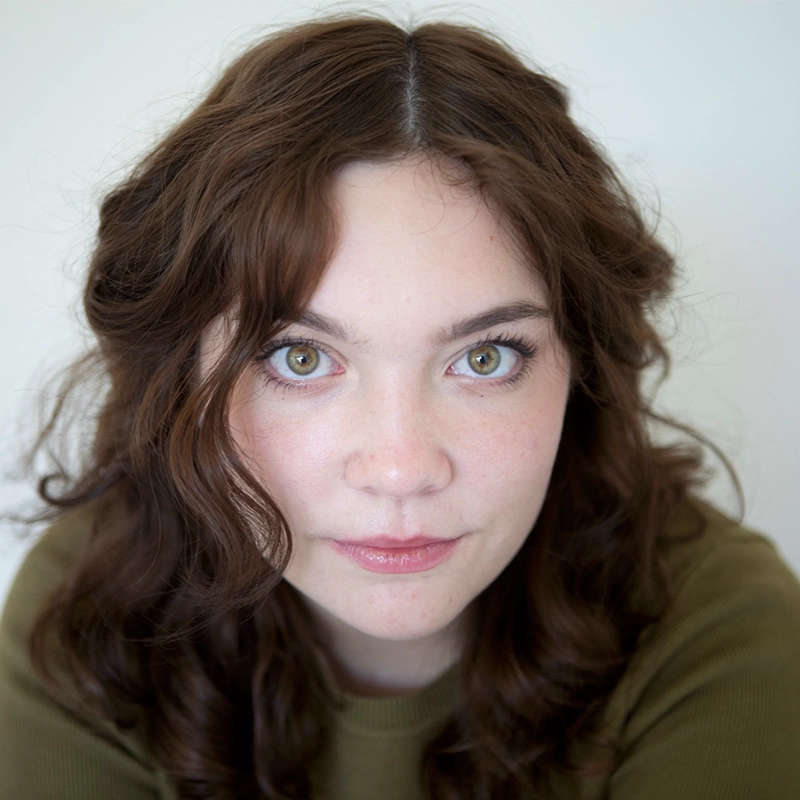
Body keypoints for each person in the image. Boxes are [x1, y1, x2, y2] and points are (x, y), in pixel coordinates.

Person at [1, 14, 799, 800]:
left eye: (483, 359)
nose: (401, 469)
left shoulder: (720, 631)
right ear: (181, 375)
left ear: (582, 366)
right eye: (299, 358)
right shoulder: (92, 607)